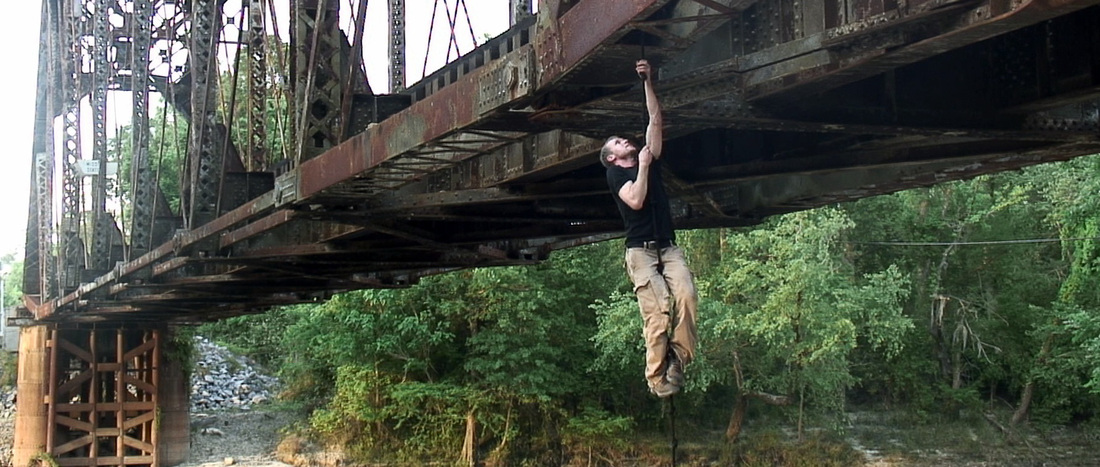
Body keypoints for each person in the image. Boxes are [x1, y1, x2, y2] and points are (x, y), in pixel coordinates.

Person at [601, 59, 699, 398]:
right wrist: (642, 167)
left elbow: (655, 119)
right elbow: (637, 200)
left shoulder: (647, 155)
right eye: (617, 143)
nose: (624, 142)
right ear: (612, 157)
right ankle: (656, 379)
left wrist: (648, 82)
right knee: (658, 313)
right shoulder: (617, 175)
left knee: (686, 295)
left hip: (667, 246)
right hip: (640, 251)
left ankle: (678, 361)